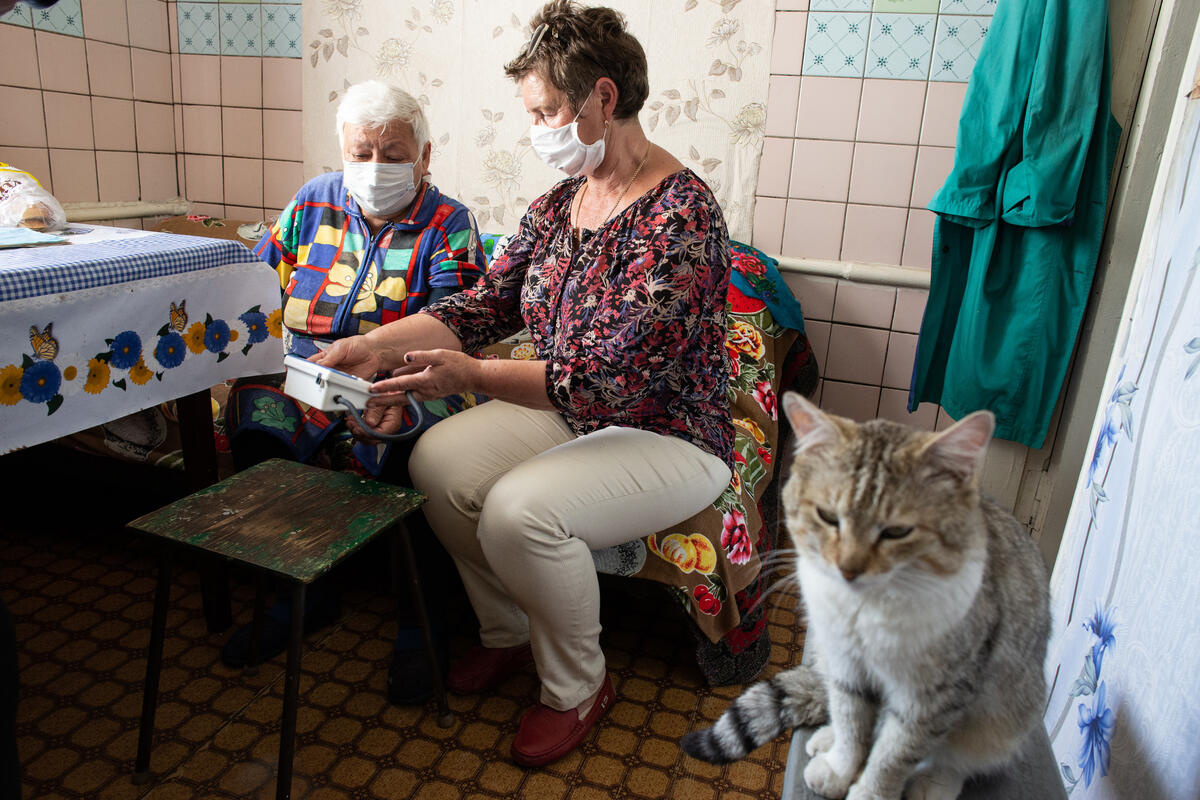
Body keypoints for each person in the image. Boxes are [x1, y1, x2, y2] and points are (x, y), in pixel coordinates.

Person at [313, 0, 734, 765]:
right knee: (435, 464)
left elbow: (606, 378)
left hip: (668, 430)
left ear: (604, 99)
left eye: (546, 112)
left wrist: (470, 376)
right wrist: (372, 346)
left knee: (517, 513)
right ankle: (508, 632)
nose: (536, 130)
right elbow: (482, 305)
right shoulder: (558, 206)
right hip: (573, 412)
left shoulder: (681, 216)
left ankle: (578, 684)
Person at [220, 80, 487, 704]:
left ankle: (422, 625)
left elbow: (458, 325)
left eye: (393, 153)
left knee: (414, 444)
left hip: (408, 373)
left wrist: (391, 377)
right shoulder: (313, 202)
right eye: (360, 152)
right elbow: (259, 284)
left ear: (424, 157)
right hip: (309, 368)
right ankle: (297, 596)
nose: (375, 167)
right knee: (253, 412)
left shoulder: (449, 224)